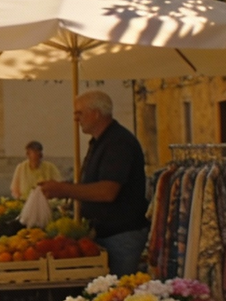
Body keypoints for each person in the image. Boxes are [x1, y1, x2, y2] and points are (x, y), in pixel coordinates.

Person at [39, 91, 149, 275]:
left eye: (79, 113)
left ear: (96, 113)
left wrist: (65, 190)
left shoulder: (118, 143)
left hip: (120, 235)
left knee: (117, 294)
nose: (75, 118)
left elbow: (107, 191)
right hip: (105, 234)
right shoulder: (100, 141)